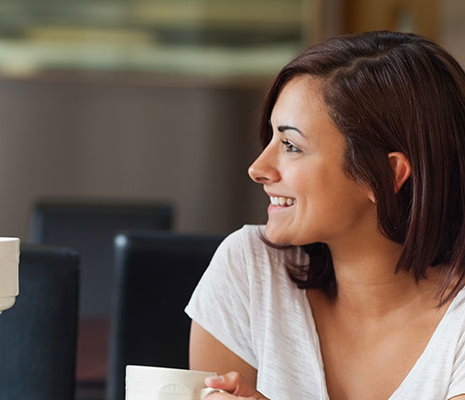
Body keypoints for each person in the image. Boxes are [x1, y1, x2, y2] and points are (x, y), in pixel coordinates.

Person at [186, 31, 465, 399]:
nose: (258, 168)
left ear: (385, 174)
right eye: (270, 138)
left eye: (291, 146)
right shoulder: (250, 271)